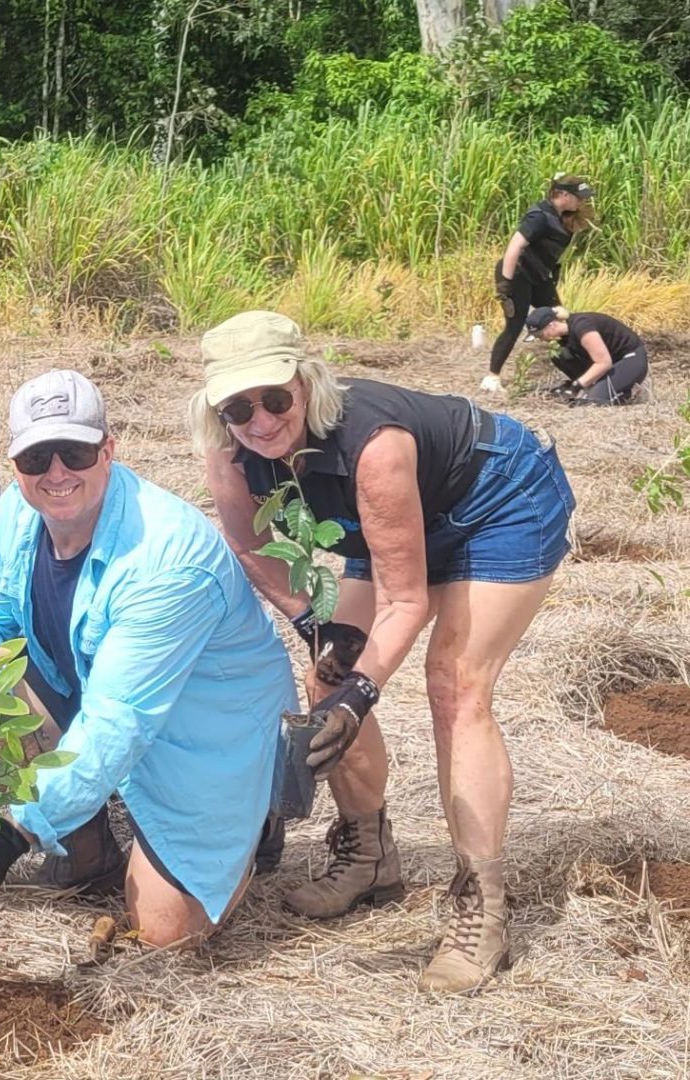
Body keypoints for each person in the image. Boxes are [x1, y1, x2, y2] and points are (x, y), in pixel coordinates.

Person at [195, 311, 576, 993]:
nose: (258, 419)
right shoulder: (230, 454)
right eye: (237, 406)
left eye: (275, 398)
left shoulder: (375, 445)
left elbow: (407, 601)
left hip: (497, 499)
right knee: (327, 678)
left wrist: (364, 694)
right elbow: (251, 547)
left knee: (454, 685)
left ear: (305, 382)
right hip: (386, 523)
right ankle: (368, 854)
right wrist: (316, 626)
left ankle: (479, 906)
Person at [0, 370, 296, 947]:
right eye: (35, 457)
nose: (56, 473)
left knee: (165, 933)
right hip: (98, 695)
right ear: (15, 464)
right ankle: (85, 846)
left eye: (74, 451)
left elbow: (121, 720)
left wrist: (11, 832)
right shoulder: (17, 514)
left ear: (108, 451)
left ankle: (258, 817)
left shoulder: (168, 556)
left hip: (201, 732)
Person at [483, 174, 596, 393]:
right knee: (514, 326)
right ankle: (492, 377)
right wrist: (505, 285)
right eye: (578, 197)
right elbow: (514, 247)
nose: (581, 201)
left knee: (561, 317)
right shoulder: (539, 216)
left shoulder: (560, 217)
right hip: (517, 275)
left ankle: (584, 371)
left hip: (539, 276)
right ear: (562, 194)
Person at [525, 305, 649, 406]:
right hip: (611, 364)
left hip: (630, 359)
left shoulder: (582, 327)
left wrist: (576, 385)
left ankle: (622, 391)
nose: (541, 339)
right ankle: (600, 387)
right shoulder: (562, 338)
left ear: (552, 325)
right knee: (559, 354)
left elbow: (604, 363)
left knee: (593, 402)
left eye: (540, 335)